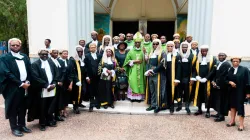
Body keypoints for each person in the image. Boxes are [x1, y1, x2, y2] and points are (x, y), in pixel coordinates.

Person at [0, 38, 32, 137]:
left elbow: (29, 70)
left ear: (20, 46)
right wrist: (20, 83)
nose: (15, 47)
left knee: (23, 107)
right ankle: (14, 128)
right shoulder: (4, 57)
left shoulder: (24, 57)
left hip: (24, 86)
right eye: (13, 45)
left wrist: (27, 81)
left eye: (17, 45)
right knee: (13, 107)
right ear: (10, 46)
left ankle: (22, 125)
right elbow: (6, 73)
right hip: (12, 87)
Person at [30, 49, 58, 131]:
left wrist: (54, 83)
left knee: (50, 105)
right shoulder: (35, 64)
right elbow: (35, 77)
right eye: (43, 54)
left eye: (46, 54)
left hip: (52, 88)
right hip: (42, 89)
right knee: (42, 106)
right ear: (39, 55)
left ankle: (49, 120)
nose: (45, 56)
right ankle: (42, 123)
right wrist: (46, 85)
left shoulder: (51, 63)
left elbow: (56, 73)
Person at [151, 41, 181, 114]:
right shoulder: (164, 54)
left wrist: (177, 79)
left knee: (172, 91)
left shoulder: (177, 55)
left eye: (171, 46)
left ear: (173, 47)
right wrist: (153, 71)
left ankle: (171, 107)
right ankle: (164, 105)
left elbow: (179, 68)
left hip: (173, 77)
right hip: (164, 76)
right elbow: (161, 65)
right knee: (164, 91)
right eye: (168, 46)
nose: (169, 47)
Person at [226, 57, 250, 131]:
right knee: (232, 107)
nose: (235, 63)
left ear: (239, 62)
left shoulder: (244, 69)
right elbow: (226, 79)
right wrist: (230, 82)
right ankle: (232, 121)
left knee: (240, 107)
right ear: (231, 62)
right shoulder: (230, 69)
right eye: (234, 61)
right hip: (232, 91)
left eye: (237, 61)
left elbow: (248, 81)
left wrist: (248, 92)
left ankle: (241, 125)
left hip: (241, 91)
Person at [193, 45, 217, 118]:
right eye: (202, 51)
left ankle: (207, 111)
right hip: (199, 80)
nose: (204, 52)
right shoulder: (197, 58)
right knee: (199, 95)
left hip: (208, 81)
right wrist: (197, 76)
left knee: (208, 96)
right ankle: (199, 109)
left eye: (205, 51)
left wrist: (206, 78)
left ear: (207, 51)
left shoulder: (212, 59)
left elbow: (213, 70)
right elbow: (193, 68)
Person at [123, 32, 146, 102]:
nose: (137, 44)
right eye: (136, 42)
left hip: (141, 69)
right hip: (133, 70)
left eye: (139, 43)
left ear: (141, 43)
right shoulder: (131, 51)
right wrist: (134, 61)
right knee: (133, 82)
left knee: (140, 82)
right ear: (134, 43)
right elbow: (126, 62)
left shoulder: (143, 51)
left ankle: (139, 97)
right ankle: (132, 97)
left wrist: (145, 54)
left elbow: (147, 60)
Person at [176, 42, 197, 114]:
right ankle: (179, 106)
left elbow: (194, 69)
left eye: (186, 47)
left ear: (188, 48)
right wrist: (176, 79)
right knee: (179, 93)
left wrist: (192, 78)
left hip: (187, 78)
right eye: (183, 47)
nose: (184, 48)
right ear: (181, 48)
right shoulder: (178, 56)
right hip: (179, 78)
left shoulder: (192, 56)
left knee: (187, 93)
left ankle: (187, 106)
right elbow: (176, 68)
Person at [144, 39, 163, 113]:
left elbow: (162, 64)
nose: (155, 45)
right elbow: (148, 63)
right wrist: (148, 71)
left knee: (157, 90)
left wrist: (154, 70)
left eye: (156, 44)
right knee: (152, 90)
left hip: (157, 74)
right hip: (150, 74)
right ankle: (153, 105)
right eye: (154, 44)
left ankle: (158, 106)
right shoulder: (151, 52)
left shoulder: (162, 52)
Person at [211, 53, 231, 122]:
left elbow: (224, 76)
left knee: (222, 101)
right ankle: (218, 113)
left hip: (223, 86)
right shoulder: (218, 63)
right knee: (218, 100)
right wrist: (213, 81)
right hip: (217, 85)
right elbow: (215, 74)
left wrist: (217, 83)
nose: (221, 57)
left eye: (222, 56)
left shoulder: (227, 64)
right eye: (219, 55)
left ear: (226, 56)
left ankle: (221, 116)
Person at [69, 46, 87, 114]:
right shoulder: (72, 59)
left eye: (81, 51)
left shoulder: (82, 59)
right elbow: (72, 71)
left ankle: (79, 102)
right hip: (76, 79)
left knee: (83, 91)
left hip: (82, 78)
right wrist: (76, 80)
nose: (80, 53)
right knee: (76, 93)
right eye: (79, 51)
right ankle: (75, 107)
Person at [49, 49, 66, 121]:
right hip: (53, 84)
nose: (56, 54)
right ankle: (50, 116)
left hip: (60, 84)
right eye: (54, 53)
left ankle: (57, 115)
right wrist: (56, 82)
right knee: (52, 101)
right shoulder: (48, 61)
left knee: (59, 100)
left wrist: (61, 81)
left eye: (57, 53)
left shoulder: (60, 61)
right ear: (51, 54)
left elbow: (63, 72)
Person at [84, 43, 102, 112]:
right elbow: (85, 67)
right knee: (91, 91)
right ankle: (91, 105)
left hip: (98, 76)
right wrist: (87, 77)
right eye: (91, 47)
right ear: (89, 48)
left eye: (94, 47)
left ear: (96, 48)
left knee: (98, 90)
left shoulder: (99, 55)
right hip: (90, 76)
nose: (93, 48)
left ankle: (97, 103)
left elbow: (101, 65)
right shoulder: (87, 56)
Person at [59, 50, 74, 117]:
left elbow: (71, 73)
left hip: (67, 82)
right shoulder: (58, 61)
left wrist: (71, 84)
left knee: (66, 97)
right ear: (61, 54)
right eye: (64, 54)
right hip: (60, 82)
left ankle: (65, 110)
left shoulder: (69, 62)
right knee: (60, 97)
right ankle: (60, 111)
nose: (65, 55)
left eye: (66, 54)